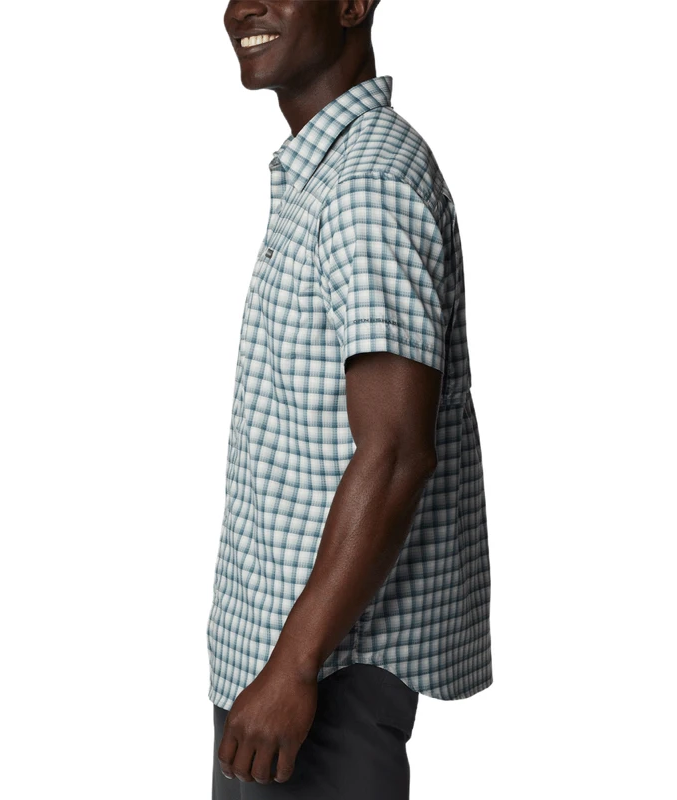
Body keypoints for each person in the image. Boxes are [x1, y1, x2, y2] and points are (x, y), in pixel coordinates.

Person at [208, 2, 492, 797]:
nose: (241, 8)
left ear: (353, 3)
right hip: (281, 659)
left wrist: (293, 667)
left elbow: (396, 453)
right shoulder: (326, 172)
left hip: (324, 674)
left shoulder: (367, 185)